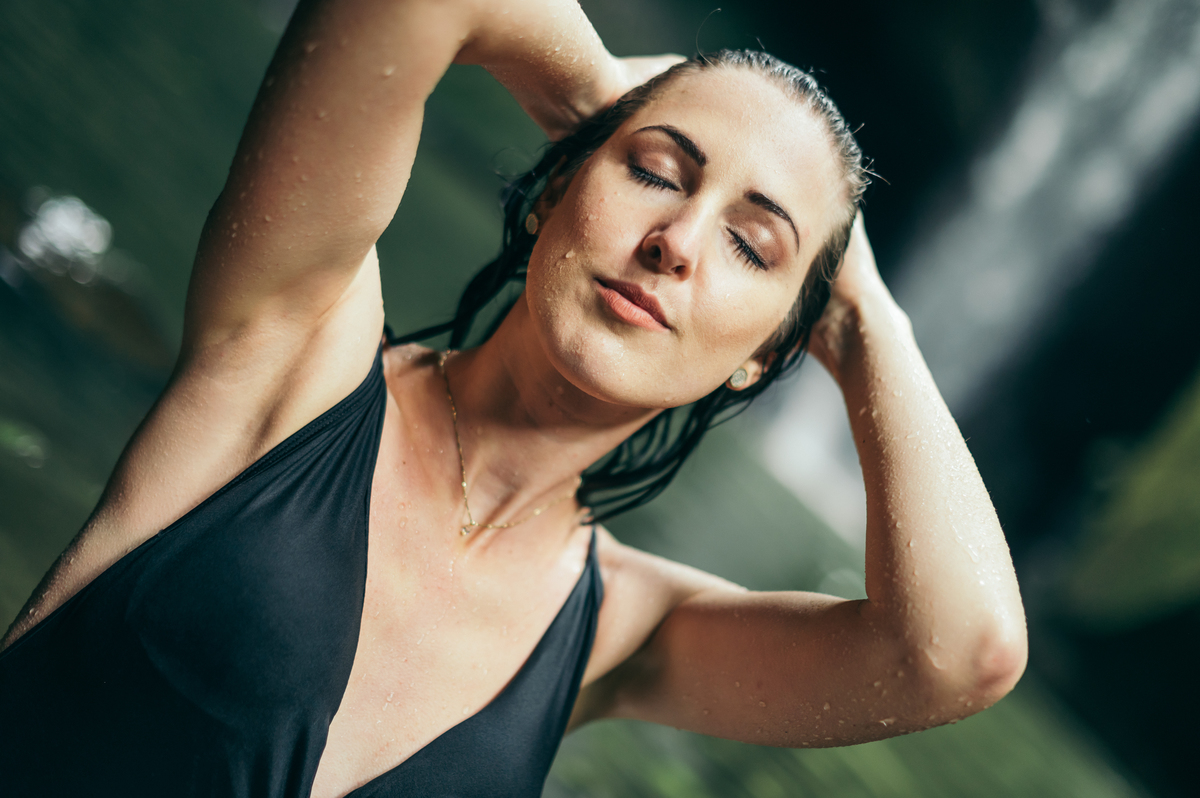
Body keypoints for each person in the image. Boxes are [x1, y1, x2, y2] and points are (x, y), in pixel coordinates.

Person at [0, 0, 1028, 796]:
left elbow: (959, 655)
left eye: (751, 246)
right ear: (549, 194)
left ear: (763, 356)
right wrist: (597, 96)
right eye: (658, 174)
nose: (675, 242)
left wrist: (869, 326)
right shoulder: (289, 354)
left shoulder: (621, 631)